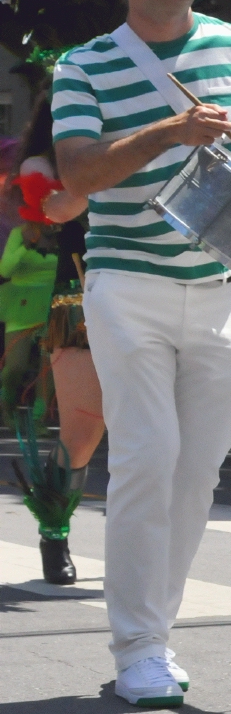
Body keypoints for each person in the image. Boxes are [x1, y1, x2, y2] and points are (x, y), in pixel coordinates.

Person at [51, 0, 231, 708]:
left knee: (196, 475)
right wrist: (168, 130)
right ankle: (140, 647)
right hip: (127, 283)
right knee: (149, 457)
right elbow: (80, 172)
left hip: (226, 287)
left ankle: (157, 629)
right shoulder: (83, 64)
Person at [15, 96, 104, 585]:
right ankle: (55, 530)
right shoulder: (41, 164)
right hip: (81, 298)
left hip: (156, 293)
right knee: (83, 430)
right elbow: (46, 217)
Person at [0, 220, 57, 412]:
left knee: (49, 367)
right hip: (21, 303)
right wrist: (26, 245)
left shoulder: (67, 231)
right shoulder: (20, 232)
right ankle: (6, 406)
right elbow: (5, 270)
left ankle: (39, 417)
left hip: (54, 303)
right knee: (15, 365)